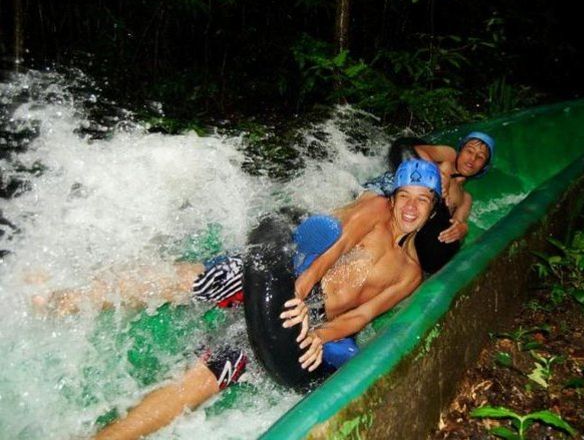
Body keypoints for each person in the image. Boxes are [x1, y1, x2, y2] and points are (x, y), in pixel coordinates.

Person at [72, 158, 442, 440]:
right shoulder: (375, 210)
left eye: (422, 200)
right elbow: (337, 245)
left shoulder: (409, 273)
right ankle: (67, 296)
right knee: (194, 280)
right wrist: (298, 288)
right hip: (289, 271)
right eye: (404, 197)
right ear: (393, 199)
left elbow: (362, 316)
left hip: (304, 316)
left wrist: (320, 336)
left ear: (434, 207)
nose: (410, 207)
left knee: (211, 376)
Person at [363, 131, 495, 273]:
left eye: (480, 157)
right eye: (469, 151)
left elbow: (458, 223)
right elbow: (418, 150)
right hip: (392, 189)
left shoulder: (465, 198)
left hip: (415, 223)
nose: (472, 159)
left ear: (484, 166)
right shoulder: (449, 157)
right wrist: (437, 176)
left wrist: (462, 230)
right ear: (460, 150)